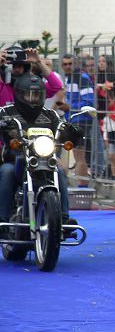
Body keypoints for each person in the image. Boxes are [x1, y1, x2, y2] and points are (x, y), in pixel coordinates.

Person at [0, 73, 80, 232]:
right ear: (19, 94)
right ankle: (4, 219)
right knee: (7, 172)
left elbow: (61, 129)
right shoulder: (5, 112)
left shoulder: (50, 114)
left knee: (59, 171)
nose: (33, 98)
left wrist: (72, 131)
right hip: (15, 159)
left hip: (44, 159)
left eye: (36, 94)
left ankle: (63, 219)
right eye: (28, 94)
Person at [59, 54, 96, 184]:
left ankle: (83, 186)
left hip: (82, 120)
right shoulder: (69, 79)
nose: (68, 66)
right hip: (73, 119)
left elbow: (89, 102)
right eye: (65, 64)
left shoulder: (82, 78)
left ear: (75, 64)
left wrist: (70, 107)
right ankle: (82, 185)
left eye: (70, 63)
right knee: (78, 155)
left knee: (80, 155)